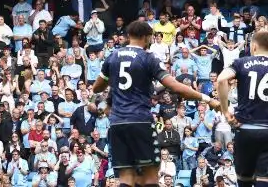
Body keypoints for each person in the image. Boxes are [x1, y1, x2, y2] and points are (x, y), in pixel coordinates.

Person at [93, 19, 221, 186]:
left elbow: (96, 87)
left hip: (117, 124)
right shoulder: (148, 57)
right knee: (150, 177)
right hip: (140, 121)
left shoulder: (113, 56)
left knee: (126, 178)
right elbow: (175, 87)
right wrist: (206, 98)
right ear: (147, 37)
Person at [218, 30, 268, 187]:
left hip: (245, 129)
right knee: (264, 179)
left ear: (253, 46)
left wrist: (226, 111)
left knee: (244, 179)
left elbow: (221, 79)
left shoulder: (242, 62)